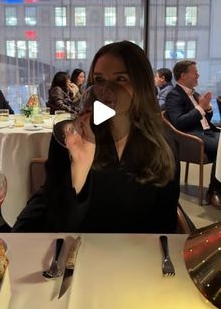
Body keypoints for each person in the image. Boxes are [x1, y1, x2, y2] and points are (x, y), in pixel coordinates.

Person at [13, 41, 180, 233]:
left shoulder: (163, 143)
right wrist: (79, 170)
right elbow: (55, 220)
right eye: (100, 80)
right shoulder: (70, 137)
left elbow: (165, 225)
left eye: (121, 79)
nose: (107, 90)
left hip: (139, 257)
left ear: (141, 84)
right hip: (80, 252)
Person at [165, 60, 221, 209]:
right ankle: (214, 190)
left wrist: (207, 110)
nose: (198, 75)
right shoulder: (174, 95)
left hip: (206, 132)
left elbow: (204, 120)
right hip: (190, 137)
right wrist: (200, 109)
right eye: (195, 72)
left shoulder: (194, 93)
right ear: (183, 75)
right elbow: (178, 122)